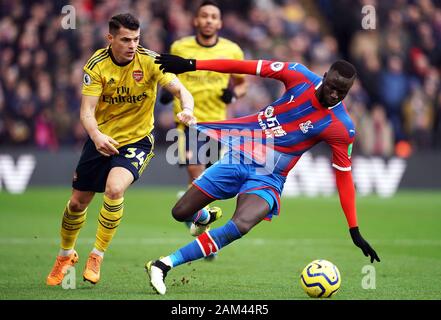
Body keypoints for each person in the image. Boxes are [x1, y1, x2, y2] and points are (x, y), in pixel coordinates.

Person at [145, 53, 381, 295]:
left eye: (342, 93)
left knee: (242, 224)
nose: (334, 95)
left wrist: (354, 228)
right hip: (241, 155)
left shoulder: (342, 127)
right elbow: (243, 66)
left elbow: (343, 176)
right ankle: (203, 217)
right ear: (324, 77)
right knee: (180, 212)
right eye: (332, 87)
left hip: (269, 177)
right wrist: (190, 64)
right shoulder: (297, 74)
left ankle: (164, 264)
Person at [46, 13, 196, 286]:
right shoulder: (97, 64)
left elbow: (182, 91)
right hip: (100, 138)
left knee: (115, 189)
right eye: (126, 39)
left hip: (137, 141)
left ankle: (97, 254)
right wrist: (96, 135)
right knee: (77, 203)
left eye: (136, 39)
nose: (132, 45)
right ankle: (65, 254)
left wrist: (187, 109)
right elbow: (86, 111)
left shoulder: (149, 60)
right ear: (110, 38)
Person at [161, 1, 247, 257]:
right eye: (204, 16)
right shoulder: (180, 47)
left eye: (214, 17)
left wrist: (233, 95)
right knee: (194, 166)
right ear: (196, 21)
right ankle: (202, 227)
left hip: (218, 125)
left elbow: (242, 85)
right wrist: (167, 93)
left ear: (220, 23)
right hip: (189, 122)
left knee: (205, 183)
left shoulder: (232, 51)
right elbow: (168, 76)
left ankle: (196, 219)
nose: (209, 20)